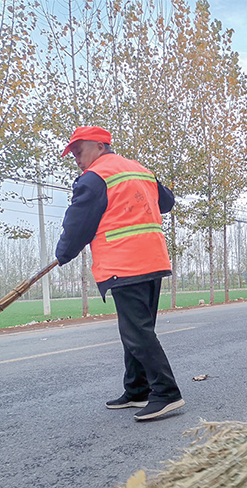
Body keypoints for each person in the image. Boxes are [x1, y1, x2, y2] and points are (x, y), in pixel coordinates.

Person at [56, 126, 185, 422]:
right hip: (152, 260)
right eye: (72, 153)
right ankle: (137, 390)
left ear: (100, 146)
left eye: (79, 150)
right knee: (138, 330)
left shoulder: (94, 178)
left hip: (126, 264)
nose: (76, 157)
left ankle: (166, 393)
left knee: (136, 333)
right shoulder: (139, 170)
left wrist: (64, 253)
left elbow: (78, 223)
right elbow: (166, 202)